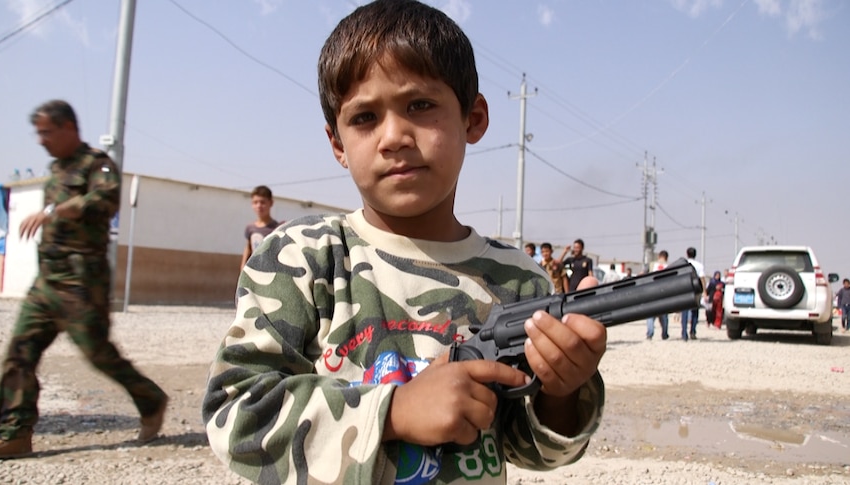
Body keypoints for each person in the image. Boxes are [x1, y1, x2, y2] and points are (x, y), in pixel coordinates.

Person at [201, 2, 607, 483]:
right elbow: (238, 412)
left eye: (420, 105)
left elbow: (530, 449)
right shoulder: (303, 258)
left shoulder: (519, 282)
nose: (393, 136)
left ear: (473, 118)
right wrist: (391, 411)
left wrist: (563, 392)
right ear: (337, 144)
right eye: (365, 118)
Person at [0, 100, 168, 461]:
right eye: (39, 133)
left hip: (81, 283)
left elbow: (105, 199)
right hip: (47, 281)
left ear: (69, 127)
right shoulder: (56, 168)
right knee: (19, 353)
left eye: (47, 132)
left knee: (99, 354)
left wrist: (56, 210)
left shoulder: (96, 164)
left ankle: (150, 398)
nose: (41, 140)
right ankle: (14, 433)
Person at [240, 185, 280, 269]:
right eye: (255, 202)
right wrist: (243, 268)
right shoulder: (250, 228)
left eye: (262, 202)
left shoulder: (277, 228)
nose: (259, 206)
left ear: (271, 203)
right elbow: (248, 248)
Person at [680, 247, 707, 341]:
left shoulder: (683, 265)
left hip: (685, 290)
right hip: (695, 290)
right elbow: (703, 279)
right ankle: (693, 332)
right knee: (695, 312)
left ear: (687, 254)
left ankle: (684, 333)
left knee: (684, 312)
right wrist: (705, 292)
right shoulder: (699, 265)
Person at [645, 250, 670, 340]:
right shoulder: (669, 266)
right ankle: (664, 334)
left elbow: (645, 276)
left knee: (651, 315)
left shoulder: (652, 265)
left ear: (659, 256)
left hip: (652, 291)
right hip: (664, 293)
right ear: (666, 257)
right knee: (664, 315)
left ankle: (650, 333)